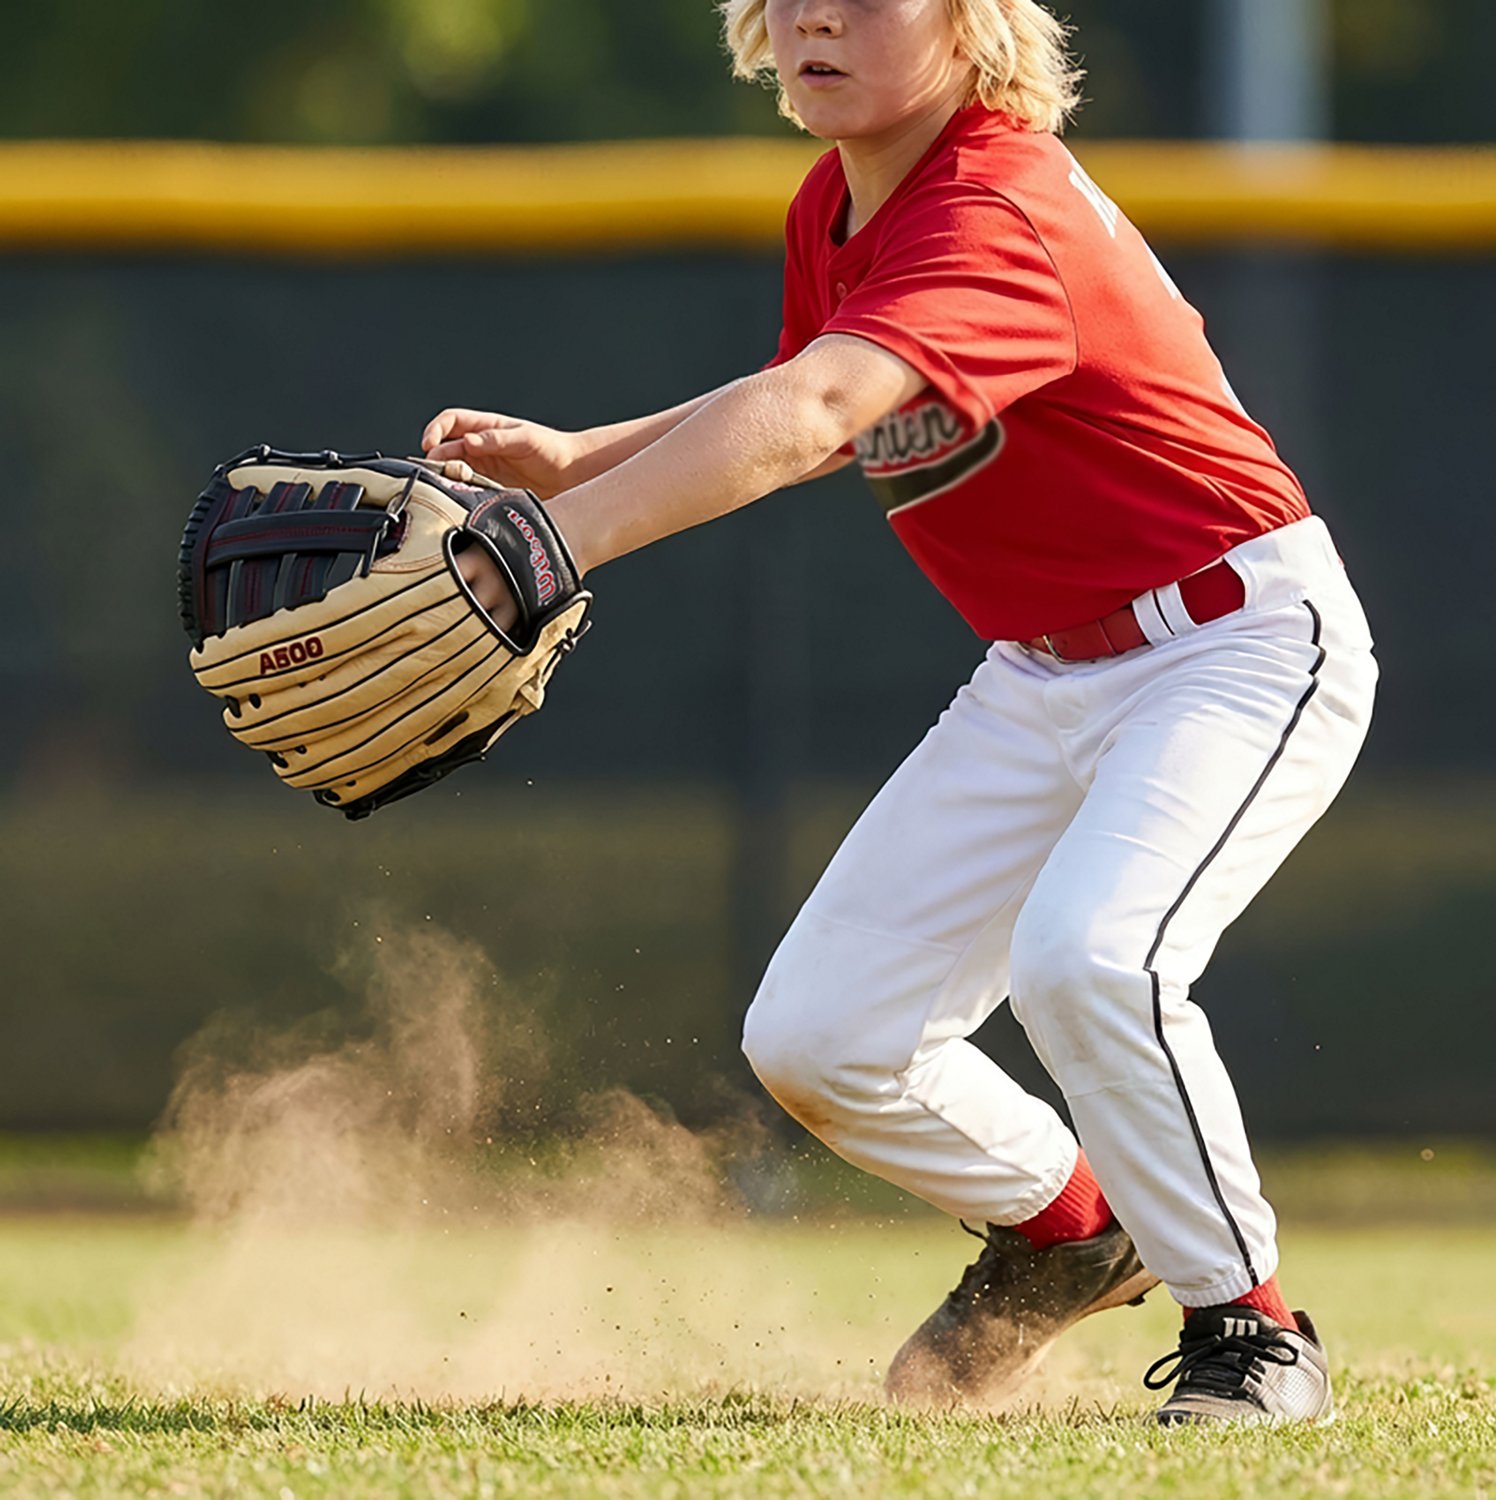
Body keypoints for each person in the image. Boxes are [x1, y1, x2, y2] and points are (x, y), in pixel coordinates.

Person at [422, 0, 1376, 1425]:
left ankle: (1251, 1325)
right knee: (822, 1035)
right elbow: (816, 397)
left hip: (1229, 647)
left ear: (972, 22)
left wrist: (559, 546)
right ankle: (1071, 1231)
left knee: (1092, 961)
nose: (816, 14)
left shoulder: (994, 203)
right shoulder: (849, 197)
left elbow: (816, 408)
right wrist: (582, 462)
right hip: (1045, 670)